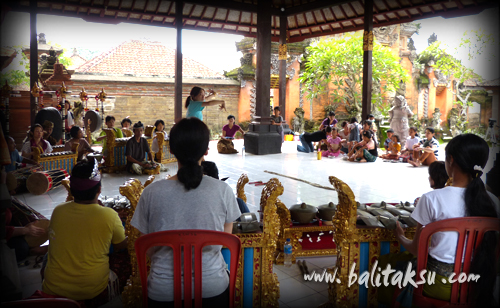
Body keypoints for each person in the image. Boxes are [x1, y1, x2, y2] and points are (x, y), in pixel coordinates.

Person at [378, 134, 500, 307]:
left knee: (389, 265)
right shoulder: (493, 202)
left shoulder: (432, 199)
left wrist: (400, 236)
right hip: (479, 284)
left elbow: (415, 250)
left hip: (438, 285)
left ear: (450, 160)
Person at [131, 117, 241, 307]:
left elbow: (147, 247)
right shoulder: (222, 190)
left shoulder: (151, 193)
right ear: (207, 150)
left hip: (162, 293)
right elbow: (224, 240)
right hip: (212, 290)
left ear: (171, 150)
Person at [42, 159, 127, 307]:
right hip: (92, 290)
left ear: (72, 190)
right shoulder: (109, 215)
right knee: (127, 258)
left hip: (54, 288)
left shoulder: (58, 211)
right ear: (99, 189)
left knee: (47, 256)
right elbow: (120, 245)